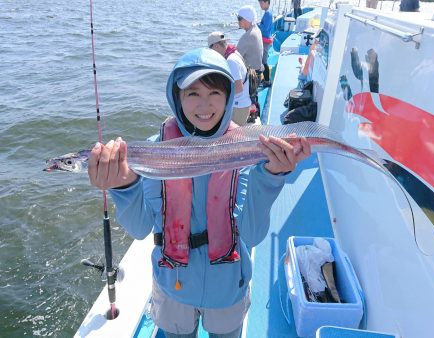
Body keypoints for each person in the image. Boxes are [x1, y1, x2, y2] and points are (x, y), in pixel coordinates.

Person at [88, 47, 311, 337]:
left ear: (229, 97)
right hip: (173, 284)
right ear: (177, 98)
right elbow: (140, 228)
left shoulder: (244, 150)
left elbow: (252, 234)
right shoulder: (156, 151)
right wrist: (123, 186)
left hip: (228, 286)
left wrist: (270, 177)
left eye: (215, 93)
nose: (204, 105)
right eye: (193, 93)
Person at [208, 31, 251, 126]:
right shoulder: (234, 53)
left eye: (211, 51)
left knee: (233, 138)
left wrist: (219, 96)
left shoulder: (231, 61)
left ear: (216, 46)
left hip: (238, 107)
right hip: (242, 105)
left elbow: (239, 88)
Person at [236, 5, 263, 73]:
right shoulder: (257, 29)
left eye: (239, 18)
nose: (237, 21)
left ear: (247, 19)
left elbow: (235, 58)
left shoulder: (247, 36)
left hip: (250, 76)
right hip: (258, 71)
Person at [257, 0, 273, 87]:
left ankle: (267, 81)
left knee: (264, 61)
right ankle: (266, 79)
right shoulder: (268, 13)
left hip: (265, 41)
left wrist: (256, 25)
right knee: (264, 61)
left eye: (261, 3)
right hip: (266, 40)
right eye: (259, 3)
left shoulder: (267, 14)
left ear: (267, 2)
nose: (260, 5)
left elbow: (265, 28)